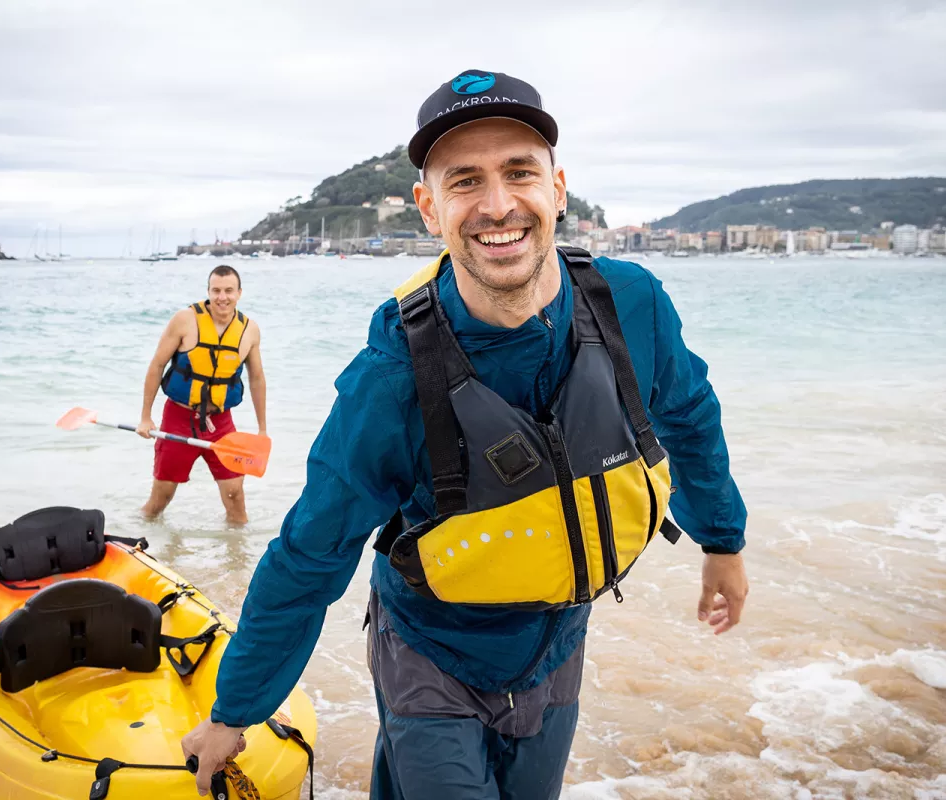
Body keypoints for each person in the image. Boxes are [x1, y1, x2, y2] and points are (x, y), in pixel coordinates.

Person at [182, 70, 749, 798]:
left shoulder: (629, 305)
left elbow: (691, 418)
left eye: (520, 173)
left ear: (558, 188)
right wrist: (237, 710)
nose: (498, 205)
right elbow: (310, 557)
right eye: (464, 181)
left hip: (558, 642)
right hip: (431, 650)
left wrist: (723, 542)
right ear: (428, 207)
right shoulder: (390, 380)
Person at [137, 264, 266, 525]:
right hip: (178, 418)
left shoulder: (249, 330)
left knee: (236, 498)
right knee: (160, 500)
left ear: (239, 293)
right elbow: (157, 365)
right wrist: (145, 417)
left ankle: (239, 560)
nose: (222, 297)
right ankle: (141, 543)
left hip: (221, 423)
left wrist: (262, 430)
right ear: (208, 291)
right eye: (216, 290)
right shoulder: (185, 320)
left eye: (229, 291)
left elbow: (256, 379)